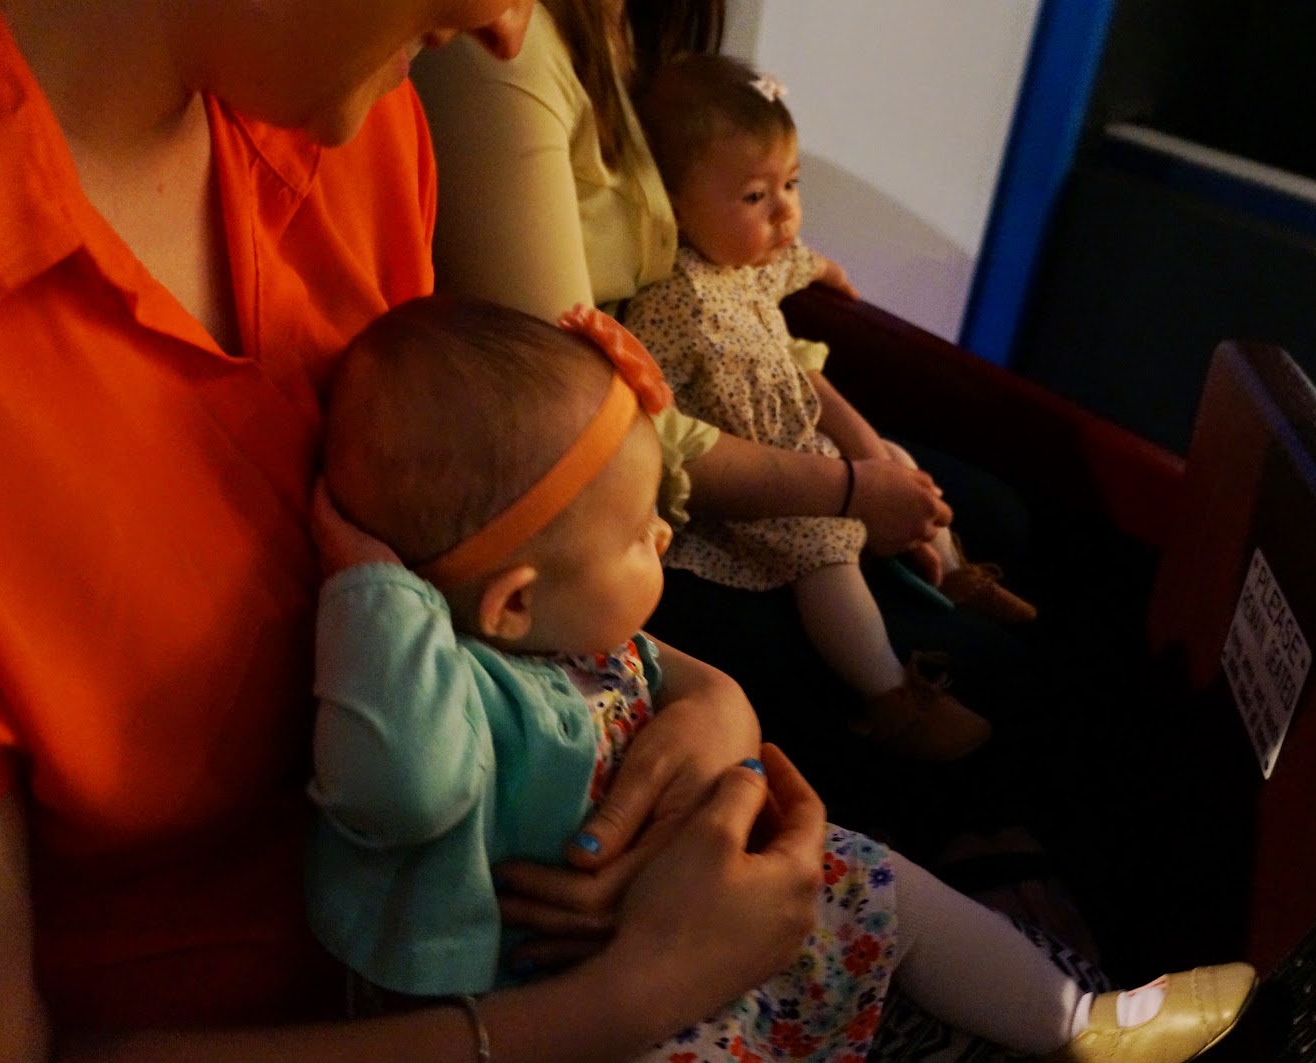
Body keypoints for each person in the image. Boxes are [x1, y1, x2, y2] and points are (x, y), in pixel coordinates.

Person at [0, 1, 836, 1059]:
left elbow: (454, 582)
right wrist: (624, 999)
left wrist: (702, 698)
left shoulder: (356, 130)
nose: (507, 31)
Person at [306, 292, 1259, 1063]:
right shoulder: (457, 696)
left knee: (873, 873)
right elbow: (402, 787)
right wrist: (375, 587)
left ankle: (1079, 1020)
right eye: (638, 534)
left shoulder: (582, 638)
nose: (665, 536)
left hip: (686, 916)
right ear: (514, 602)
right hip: (561, 1007)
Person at [413, 0, 1045, 850]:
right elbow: (581, 419)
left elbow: (758, 287)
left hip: (709, 414)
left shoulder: (634, 31)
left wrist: (854, 432)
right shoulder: (501, 51)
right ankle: (899, 716)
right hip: (621, 473)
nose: (783, 205)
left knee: (1002, 513)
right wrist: (847, 490)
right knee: (987, 665)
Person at [619, 52, 1043, 762]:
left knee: (895, 458)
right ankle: (890, 695)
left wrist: (824, 268)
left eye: (791, 184)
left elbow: (795, 259)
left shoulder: (748, 263)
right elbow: (648, 404)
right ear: (675, 203)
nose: (784, 211)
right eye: (755, 196)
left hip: (798, 441)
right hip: (747, 486)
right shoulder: (672, 299)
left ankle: (953, 573)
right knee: (825, 551)